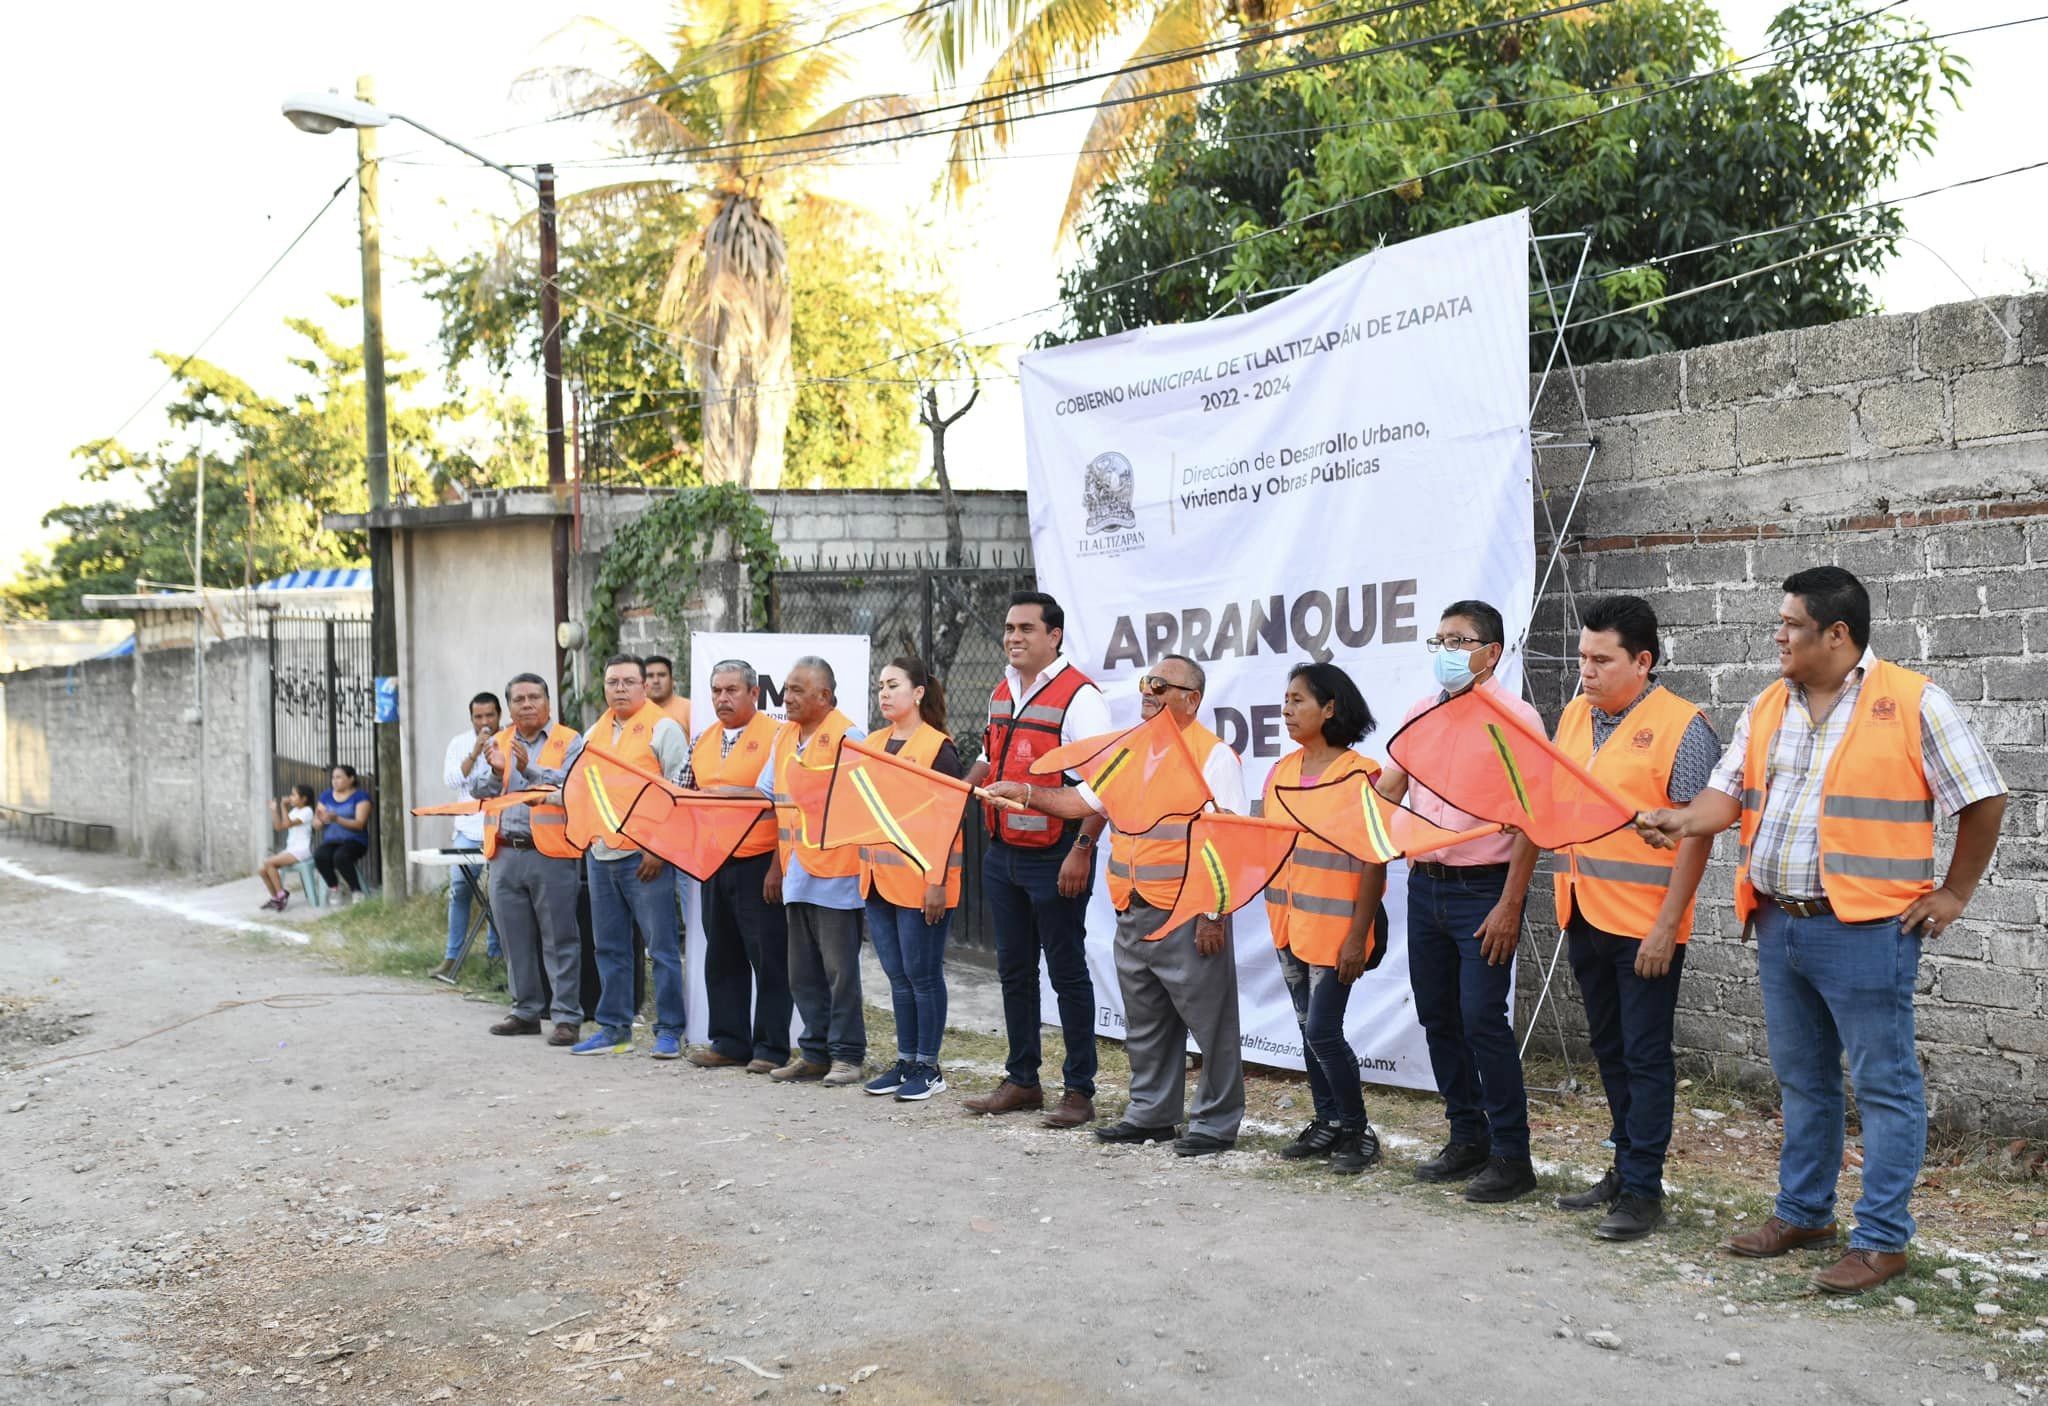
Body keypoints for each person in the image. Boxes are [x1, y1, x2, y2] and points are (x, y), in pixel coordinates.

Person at [1637, 567, 2007, 1293]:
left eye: (1791, 625)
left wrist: (1955, 891)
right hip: (1781, 923)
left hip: (1867, 929)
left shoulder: (1913, 701)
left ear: (1837, 634)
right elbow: (1725, 792)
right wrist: (1682, 818)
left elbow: (1983, 796)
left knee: (1884, 1087)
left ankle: (1881, 1241)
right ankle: (1805, 1212)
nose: (1778, 635)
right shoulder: (1770, 704)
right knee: (1803, 1082)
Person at [987, 654, 1248, 1155]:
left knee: (1212, 1027)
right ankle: (1152, 1113)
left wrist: (1214, 913)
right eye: (1146, 682)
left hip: (1187, 913)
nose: (1147, 691)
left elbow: (1229, 843)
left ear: (1191, 700)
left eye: (1161, 684)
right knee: (1146, 1022)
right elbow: (1078, 804)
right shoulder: (1129, 751)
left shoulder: (1212, 756)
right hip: (1133, 906)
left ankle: (1215, 1125)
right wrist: (1023, 793)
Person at [1539, 597, 1719, 1241]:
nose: (1583, 669)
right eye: (1581, 656)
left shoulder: (1684, 725)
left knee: (1645, 1056)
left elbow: (1698, 834)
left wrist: (1669, 924)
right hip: (1583, 910)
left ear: (1641, 662)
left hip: (1646, 925)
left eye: (1600, 659)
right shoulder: (1573, 716)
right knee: (1609, 1049)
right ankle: (1623, 1166)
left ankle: (1644, 1189)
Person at [1376, 599, 1542, 1203]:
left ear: (1490, 653)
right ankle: (1465, 1136)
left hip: (1484, 892)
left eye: (1458, 640)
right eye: (1438, 640)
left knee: (1481, 1020)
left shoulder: (1517, 721)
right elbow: (1388, 790)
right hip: (1427, 887)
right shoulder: (1421, 713)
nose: (1445, 651)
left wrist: (1511, 904)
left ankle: (1511, 1155)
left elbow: (1533, 821)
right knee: (1438, 1015)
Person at [961, 592, 1114, 1129]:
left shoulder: (1081, 698)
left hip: (1056, 853)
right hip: (1003, 853)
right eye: (1009, 627)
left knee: (1068, 973)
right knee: (1014, 972)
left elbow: (1104, 785)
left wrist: (1082, 848)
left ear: (1055, 636)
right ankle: (1022, 1079)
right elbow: (987, 755)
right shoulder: (1003, 689)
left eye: (1027, 628)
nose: (1014, 636)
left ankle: (1079, 1090)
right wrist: (953, 792)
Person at [1262, 663, 1389, 1175]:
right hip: (1288, 923)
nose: (1287, 709)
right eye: (1286, 699)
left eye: (1298, 700)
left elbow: (1374, 859)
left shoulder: (1361, 775)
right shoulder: (1282, 770)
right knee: (1304, 1027)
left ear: (1330, 708)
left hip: (1337, 931)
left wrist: (1358, 936)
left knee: (1322, 1031)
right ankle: (1327, 1122)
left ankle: (1358, 1130)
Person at [572, 654, 690, 1059]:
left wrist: (658, 847)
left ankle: (670, 1030)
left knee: (661, 950)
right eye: (611, 682)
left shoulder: (665, 728)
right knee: (609, 948)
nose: (619, 688)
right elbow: (580, 789)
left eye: (627, 682)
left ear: (644, 687)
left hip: (646, 858)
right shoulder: (593, 733)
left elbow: (680, 794)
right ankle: (614, 1029)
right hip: (601, 855)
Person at [859, 657, 964, 1103]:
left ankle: (928, 1065)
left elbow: (948, 822)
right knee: (898, 976)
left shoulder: (939, 748)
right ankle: (905, 1062)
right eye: (880, 686)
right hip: (878, 880)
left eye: (894, 685)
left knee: (922, 975)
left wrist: (936, 881)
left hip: (923, 883)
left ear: (918, 692)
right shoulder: (873, 743)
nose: (884, 693)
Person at [763, 657, 869, 1086]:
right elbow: (766, 792)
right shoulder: (785, 735)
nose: (786, 698)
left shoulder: (849, 736)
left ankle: (847, 1055)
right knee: (802, 971)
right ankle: (814, 1052)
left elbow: (864, 803)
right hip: (797, 872)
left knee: (840, 972)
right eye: (786, 690)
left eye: (797, 691)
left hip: (838, 872)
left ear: (823, 696)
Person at [685, 659, 790, 1075]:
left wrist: (778, 867)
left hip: (760, 864)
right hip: (715, 863)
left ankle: (771, 1047)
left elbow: (787, 803)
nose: (722, 698)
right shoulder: (702, 740)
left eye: (731, 690)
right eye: (716, 691)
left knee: (769, 959)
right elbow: (686, 799)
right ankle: (729, 1042)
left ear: (754, 694)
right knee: (722, 957)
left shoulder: (779, 737)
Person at [469, 672, 586, 1043]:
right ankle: (525, 1011)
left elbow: (570, 788)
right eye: (519, 699)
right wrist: (497, 770)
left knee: (560, 939)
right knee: (513, 937)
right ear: (510, 706)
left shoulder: (570, 740)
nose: (527, 704)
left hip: (550, 853)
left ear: (548, 702)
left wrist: (526, 769)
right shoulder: (499, 740)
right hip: (505, 851)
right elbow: (478, 790)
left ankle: (566, 1016)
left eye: (534, 697)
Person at [435, 691, 503, 977]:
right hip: (468, 828)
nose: (485, 721)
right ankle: (453, 956)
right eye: (479, 716)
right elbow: (453, 780)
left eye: (490, 715)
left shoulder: (511, 739)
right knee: (460, 889)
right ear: (472, 718)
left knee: (499, 894)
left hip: (500, 827)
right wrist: (475, 752)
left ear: (500, 715)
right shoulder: (459, 743)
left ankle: (496, 956)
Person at [644, 653, 698, 989]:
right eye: (648, 676)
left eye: (661, 675)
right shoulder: (640, 718)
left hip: (684, 823)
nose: (654, 681)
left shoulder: (687, 710)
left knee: (689, 901)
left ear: (672, 679)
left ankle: (695, 965)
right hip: (650, 829)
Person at [311, 765, 373, 903]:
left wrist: (337, 819)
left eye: (339, 777)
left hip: (355, 841)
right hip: (332, 841)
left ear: (351, 779)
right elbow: (315, 822)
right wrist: (321, 821)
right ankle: (334, 889)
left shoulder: (361, 797)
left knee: (340, 856)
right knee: (320, 855)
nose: (335, 781)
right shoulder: (326, 796)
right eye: (333, 777)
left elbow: (359, 824)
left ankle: (356, 891)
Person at [257, 785, 318, 911]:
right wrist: (274, 810)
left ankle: (281, 895)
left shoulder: (307, 811)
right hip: (291, 849)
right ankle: (276, 898)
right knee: (262, 870)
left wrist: (283, 807)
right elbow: (279, 827)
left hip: (301, 851)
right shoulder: (295, 811)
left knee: (269, 862)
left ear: (304, 799)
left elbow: (288, 824)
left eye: (294, 795)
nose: (290, 797)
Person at [645, 654, 693, 734]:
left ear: (672, 680)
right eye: (650, 676)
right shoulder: (635, 711)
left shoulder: (689, 709)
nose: (656, 681)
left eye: (661, 675)